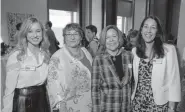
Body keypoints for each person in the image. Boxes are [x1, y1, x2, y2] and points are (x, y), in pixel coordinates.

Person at [131, 16, 181, 112]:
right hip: (138, 103)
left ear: (157, 32)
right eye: (146, 26)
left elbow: (173, 80)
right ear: (141, 30)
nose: (148, 30)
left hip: (158, 104)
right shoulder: (135, 51)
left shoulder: (169, 50)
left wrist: (171, 107)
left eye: (153, 27)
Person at [2, 17, 51, 112]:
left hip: (43, 101)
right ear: (25, 34)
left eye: (38, 31)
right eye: (30, 31)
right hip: (23, 103)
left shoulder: (46, 54)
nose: (35, 35)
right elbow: (9, 90)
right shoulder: (16, 56)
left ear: (42, 33)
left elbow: (49, 83)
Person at [47, 23, 93, 112]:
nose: (72, 37)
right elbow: (53, 84)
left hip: (89, 102)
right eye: (68, 34)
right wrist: (61, 106)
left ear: (81, 37)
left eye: (76, 34)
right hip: (69, 105)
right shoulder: (57, 57)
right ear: (64, 37)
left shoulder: (85, 52)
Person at [91, 25, 133, 112]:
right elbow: (95, 90)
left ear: (119, 38)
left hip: (126, 107)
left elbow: (132, 83)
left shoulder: (129, 56)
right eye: (107, 37)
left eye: (114, 36)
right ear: (103, 40)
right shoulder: (98, 60)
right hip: (107, 107)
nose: (111, 40)